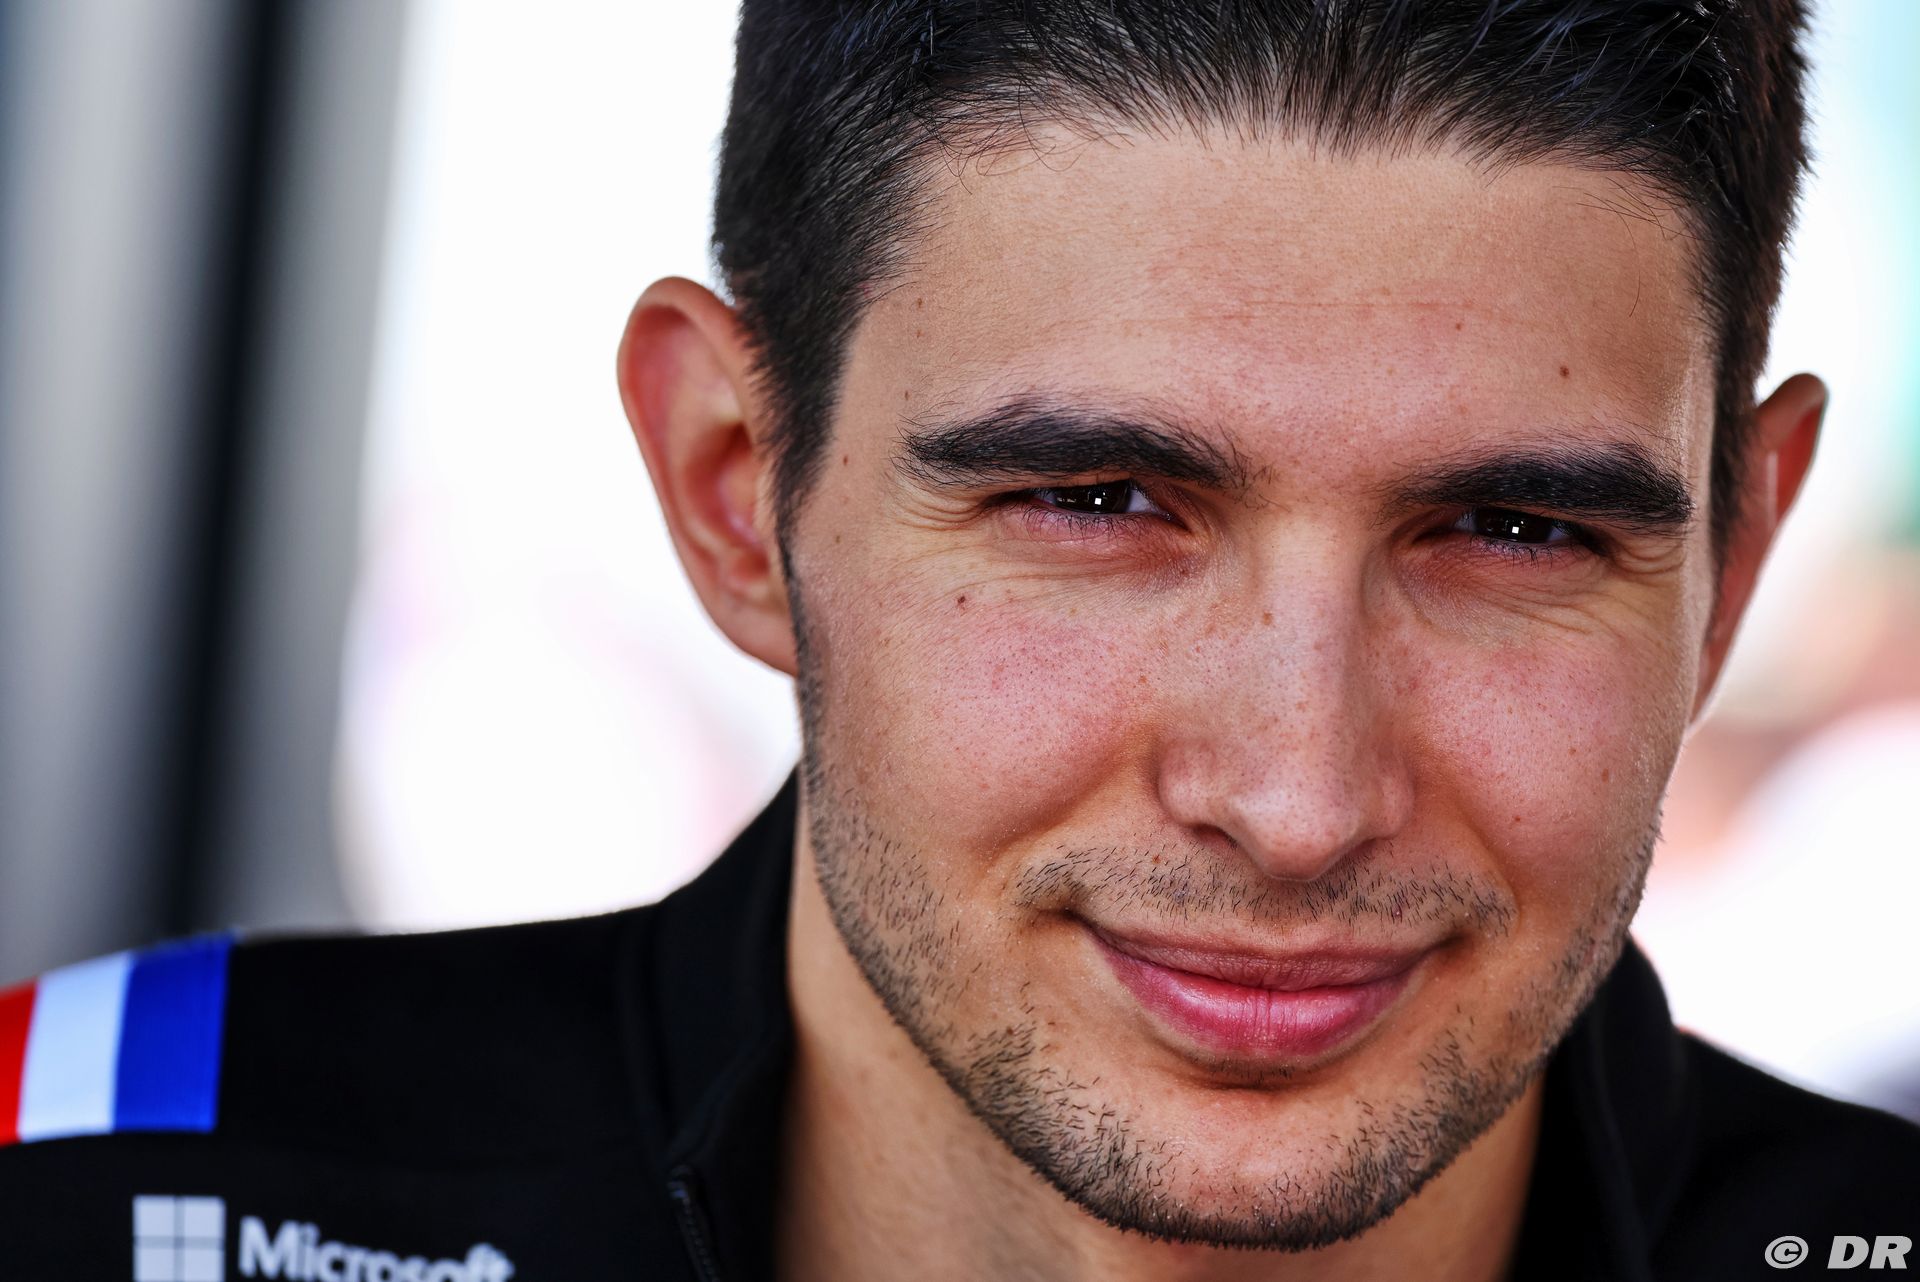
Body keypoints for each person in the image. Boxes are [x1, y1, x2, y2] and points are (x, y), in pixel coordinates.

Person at [4, 2, 1918, 1279]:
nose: (1299, 797)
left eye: (1515, 531)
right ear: (736, 488)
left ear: (1733, 558)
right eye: (1099, 501)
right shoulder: (93, 1175)